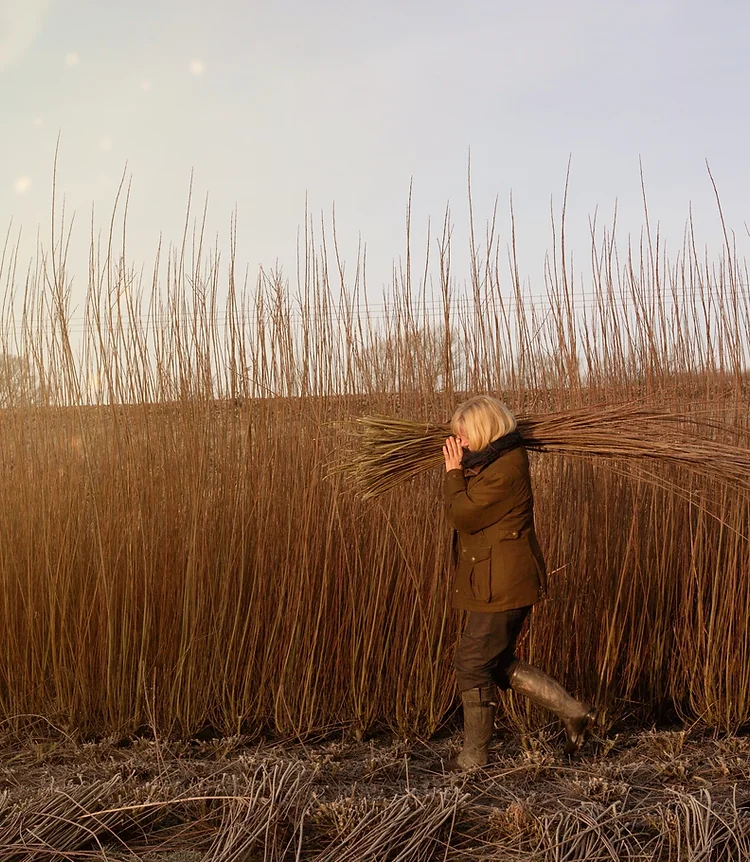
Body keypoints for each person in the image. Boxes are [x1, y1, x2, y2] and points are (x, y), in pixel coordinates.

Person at [442, 395, 596, 769]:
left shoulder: (504, 470)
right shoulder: (492, 461)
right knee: (492, 662)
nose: (458, 445)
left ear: (482, 432)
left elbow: (462, 514)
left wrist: (452, 472)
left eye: (463, 437)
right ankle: (574, 711)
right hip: (496, 579)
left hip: (502, 585)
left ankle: (474, 758)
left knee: (472, 664)